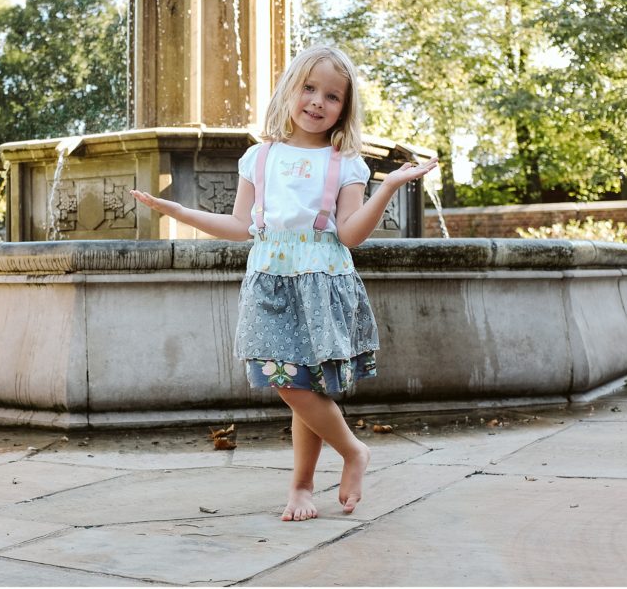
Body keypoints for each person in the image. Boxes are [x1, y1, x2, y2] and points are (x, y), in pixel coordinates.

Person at [130, 45, 438, 522]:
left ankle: (309, 481)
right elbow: (241, 226)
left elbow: (351, 234)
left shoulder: (347, 163)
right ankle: (346, 455)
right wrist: (178, 211)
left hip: (322, 280)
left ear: (344, 107)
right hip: (269, 279)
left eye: (332, 96)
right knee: (289, 381)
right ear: (289, 91)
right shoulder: (260, 158)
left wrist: (390, 186)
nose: (317, 102)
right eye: (308, 89)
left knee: (302, 385)